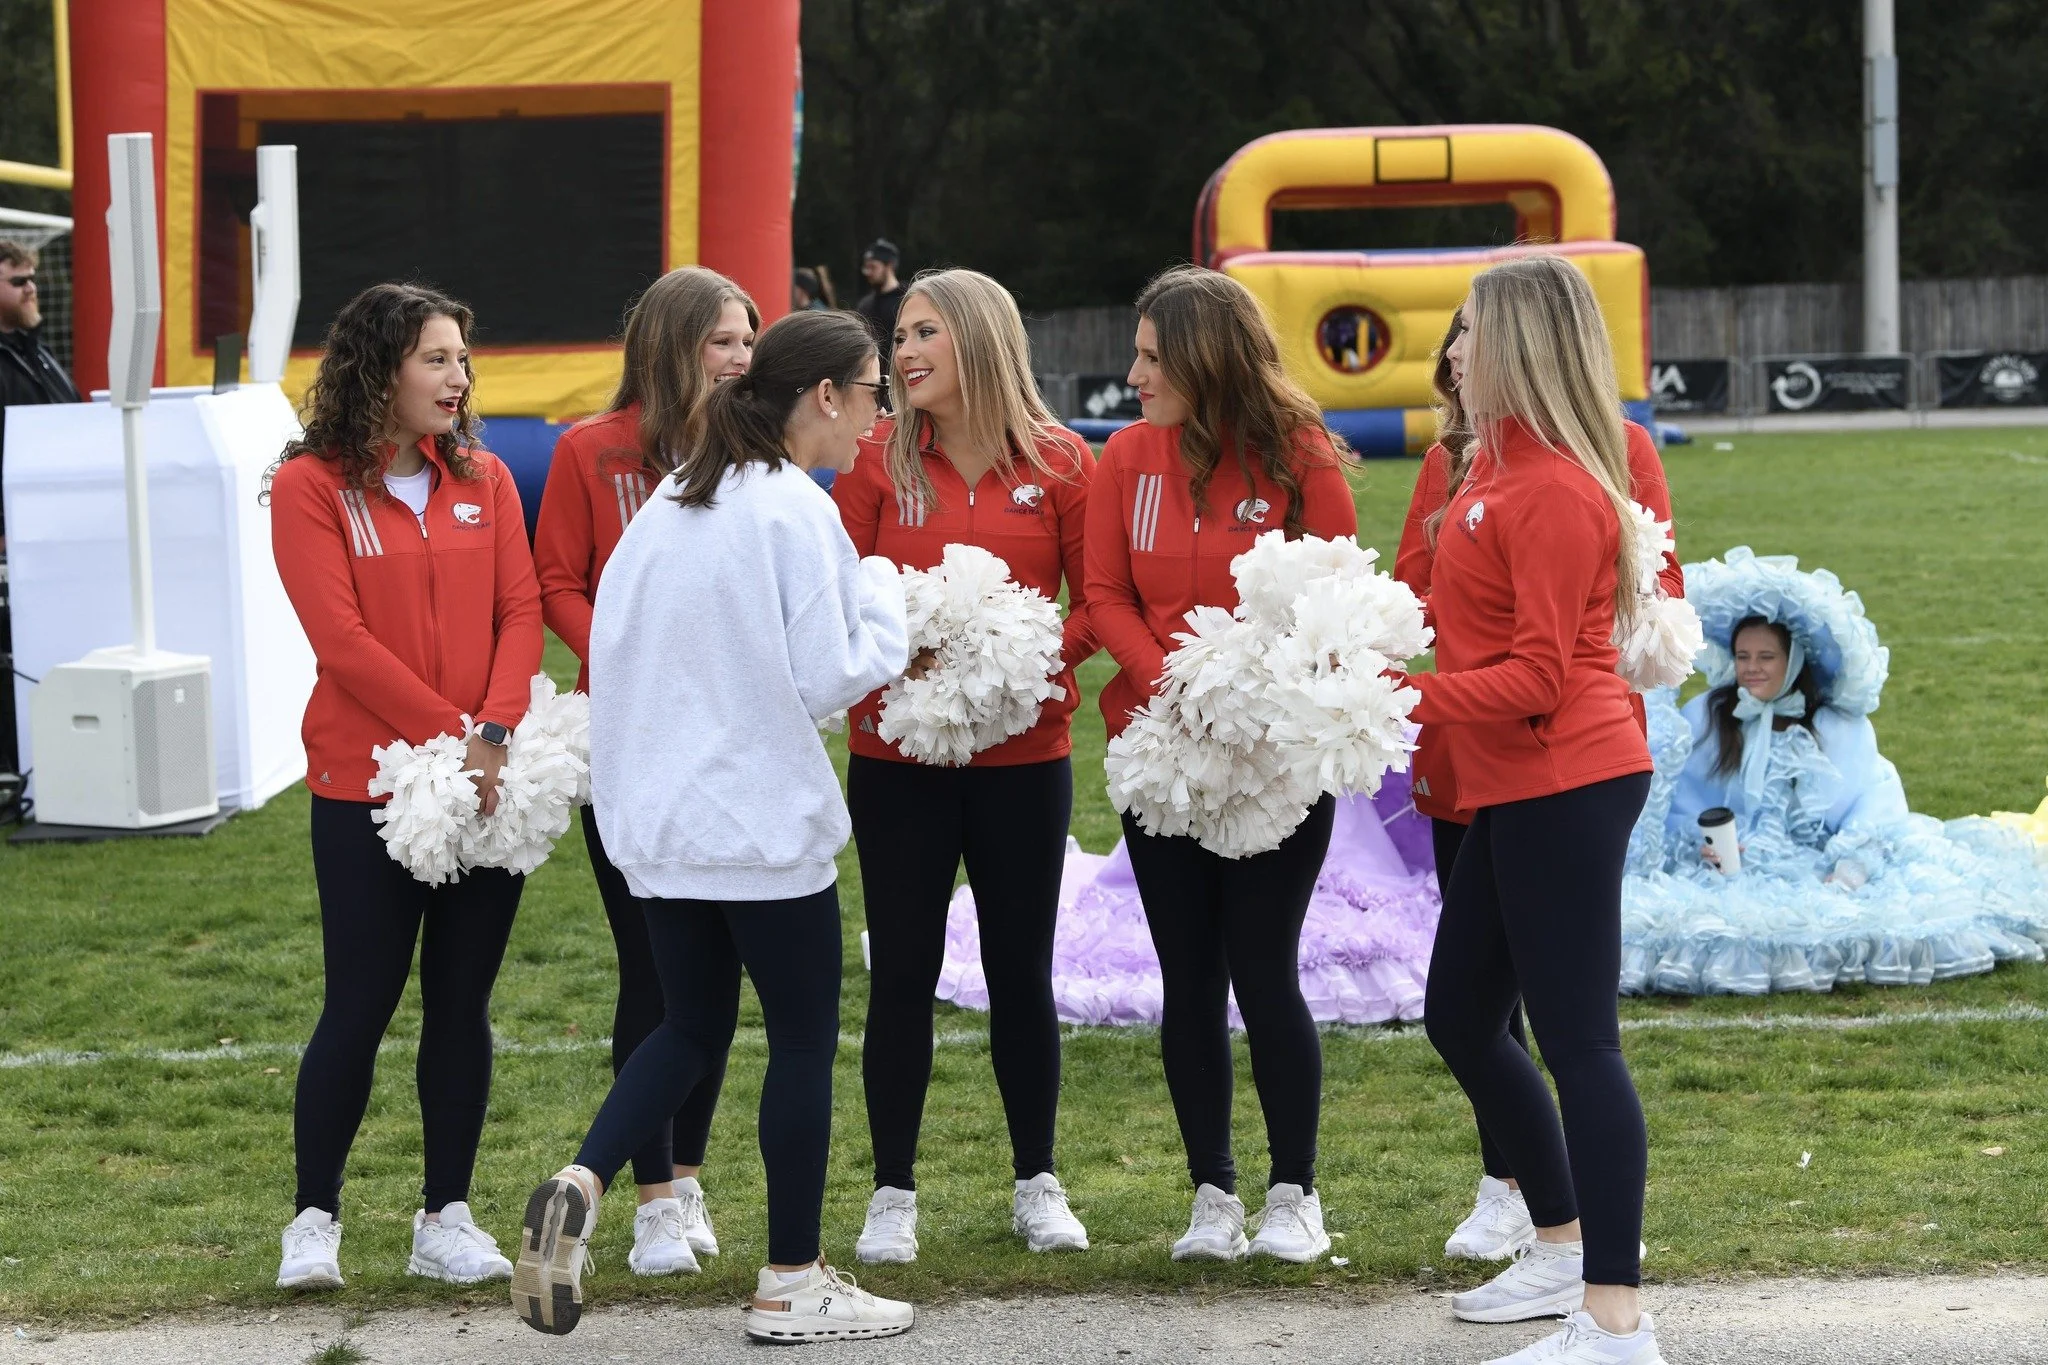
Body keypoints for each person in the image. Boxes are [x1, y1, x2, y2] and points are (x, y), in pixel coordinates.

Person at [510, 309, 916, 1344]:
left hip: (662, 820)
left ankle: (582, 1178)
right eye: (873, 391)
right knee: (800, 1042)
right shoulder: (792, 509)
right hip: (760, 823)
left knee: (687, 1026)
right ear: (824, 396)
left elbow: (611, 641)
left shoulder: (669, 501)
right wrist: (883, 594)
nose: (879, 414)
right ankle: (790, 1278)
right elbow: (831, 673)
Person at [1402, 255, 1665, 1365]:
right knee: (1458, 1016)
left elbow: (1544, 678)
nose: (1453, 351)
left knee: (1578, 1043)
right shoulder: (1484, 475)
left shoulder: (1554, 487)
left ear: (1520, 346)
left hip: (1568, 776)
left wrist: (1390, 694)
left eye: (1471, 333)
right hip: (1511, 781)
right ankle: (1558, 1243)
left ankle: (1614, 1321)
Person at [266, 283, 543, 1291]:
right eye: (436, 358)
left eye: (461, 358)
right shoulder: (309, 486)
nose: (458, 376)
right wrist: (451, 737)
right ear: (380, 368)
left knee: (460, 1002)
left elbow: (521, 611)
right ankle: (313, 1219)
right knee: (360, 1003)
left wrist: (496, 734)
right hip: (364, 787)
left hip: (487, 780)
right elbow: (339, 642)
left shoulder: (489, 478)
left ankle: (446, 1214)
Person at [1087, 265, 1358, 1265]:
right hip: (1162, 755)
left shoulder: (1298, 456)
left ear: (1206, 360)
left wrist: (1252, 699)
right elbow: (1106, 592)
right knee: (1186, 978)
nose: (1133, 373)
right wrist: (1176, 684)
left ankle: (1293, 1195)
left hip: (1273, 763)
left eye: (1152, 357)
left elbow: (1336, 602)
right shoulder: (1123, 457)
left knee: (1263, 968)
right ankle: (1211, 1193)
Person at [830, 268, 1096, 1262]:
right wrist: (904, 666)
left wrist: (1024, 668)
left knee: (1018, 974)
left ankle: (1037, 1182)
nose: (901, 355)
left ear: (979, 340)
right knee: (900, 971)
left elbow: (1096, 603)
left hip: (1025, 757)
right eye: (897, 336)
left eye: (923, 333)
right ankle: (891, 1195)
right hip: (896, 756)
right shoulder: (871, 462)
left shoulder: (1067, 462)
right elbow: (839, 603)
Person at [531, 266, 759, 1278]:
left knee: (718, 971)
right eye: (720, 341)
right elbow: (556, 583)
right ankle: (654, 1198)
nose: (740, 358)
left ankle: (690, 1176)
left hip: (730, 749)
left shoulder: (753, 453)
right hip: (630, 746)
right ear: (668, 345)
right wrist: (633, 666)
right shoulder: (589, 451)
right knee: (653, 969)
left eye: (747, 340)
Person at [1622, 547, 2048, 995]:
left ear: (1794, 661)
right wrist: (1699, 840)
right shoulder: (1710, 713)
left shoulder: (1836, 726)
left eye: (1766, 657)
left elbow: (1874, 800)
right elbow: (1677, 798)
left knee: (1875, 917)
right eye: (1743, 656)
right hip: (1731, 865)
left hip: (1815, 860)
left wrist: (1851, 865)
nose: (1751, 669)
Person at [856, 239, 906, 368]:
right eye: (866, 268)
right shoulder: (865, 305)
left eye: (873, 267)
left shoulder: (906, 299)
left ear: (889, 266)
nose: (868, 272)